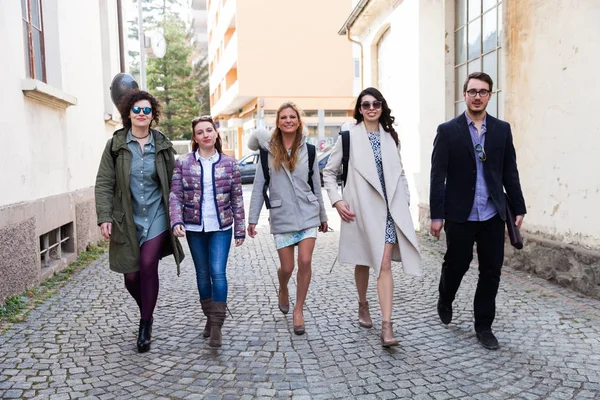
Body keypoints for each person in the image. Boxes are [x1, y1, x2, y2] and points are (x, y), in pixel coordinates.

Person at [430, 72, 526, 350]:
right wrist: (437, 215)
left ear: (489, 96)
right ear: (464, 95)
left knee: (491, 271)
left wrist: (518, 206)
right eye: (472, 91)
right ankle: (445, 297)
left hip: (492, 213)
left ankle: (483, 326)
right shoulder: (448, 131)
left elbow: (510, 170)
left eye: (483, 92)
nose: (477, 96)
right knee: (456, 264)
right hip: (460, 213)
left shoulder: (502, 129)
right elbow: (438, 176)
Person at [323, 87, 422, 347]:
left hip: (389, 210)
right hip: (361, 210)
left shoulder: (391, 137)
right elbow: (329, 173)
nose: (371, 108)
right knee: (364, 260)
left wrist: (405, 202)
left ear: (382, 107)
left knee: (384, 263)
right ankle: (363, 303)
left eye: (375, 104)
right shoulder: (349, 137)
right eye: (365, 104)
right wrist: (337, 200)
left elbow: (399, 172)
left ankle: (387, 326)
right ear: (359, 109)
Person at [95, 90, 184, 353]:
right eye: (137, 110)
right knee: (131, 278)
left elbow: (175, 183)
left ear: (153, 115)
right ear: (128, 114)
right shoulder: (116, 145)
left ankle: (145, 324)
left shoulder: (163, 145)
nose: (141, 114)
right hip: (127, 218)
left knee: (147, 266)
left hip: (156, 214)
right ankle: (147, 309)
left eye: (147, 110)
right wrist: (104, 217)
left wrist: (179, 216)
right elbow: (104, 183)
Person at [247, 102, 328, 336]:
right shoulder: (268, 151)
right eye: (284, 117)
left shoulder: (309, 150)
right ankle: (283, 287)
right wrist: (252, 219)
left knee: (304, 261)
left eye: (292, 116)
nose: (288, 120)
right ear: (278, 122)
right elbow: (259, 186)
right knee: (288, 267)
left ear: (298, 121)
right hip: (281, 215)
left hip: (308, 213)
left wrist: (323, 215)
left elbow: (316, 186)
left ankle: (299, 310)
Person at [169, 116, 245, 348]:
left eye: (209, 130)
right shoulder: (183, 163)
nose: (205, 135)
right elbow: (175, 195)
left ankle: (217, 326)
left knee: (217, 272)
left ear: (216, 133)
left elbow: (237, 198)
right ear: (195, 137)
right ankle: (210, 318)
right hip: (194, 227)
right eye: (200, 132)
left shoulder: (230, 164)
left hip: (221, 227)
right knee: (202, 274)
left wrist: (240, 229)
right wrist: (176, 221)